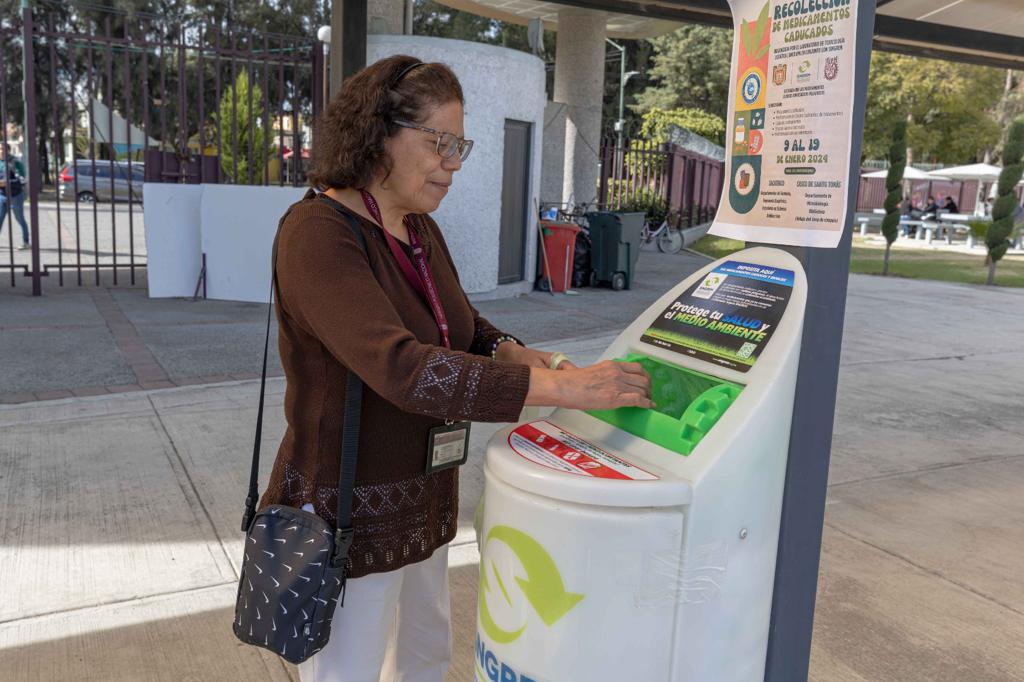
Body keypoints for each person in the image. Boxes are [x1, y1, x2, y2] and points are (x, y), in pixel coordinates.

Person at [256, 55, 653, 682]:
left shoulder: (417, 229)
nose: (455, 161)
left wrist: (510, 350)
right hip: (349, 510)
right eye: (439, 141)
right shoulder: (317, 233)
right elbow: (402, 367)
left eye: (459, 143)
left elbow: (460, 324)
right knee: (349, 670)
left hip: (426, 492)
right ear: (378, 134)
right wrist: (559, 388)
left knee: (427, 656)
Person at [0, 144, 29, 249]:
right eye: (0, 149)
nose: (1, 151)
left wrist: (6, 183)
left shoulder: (15, 163)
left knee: (20, 218)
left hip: (15, 196)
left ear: (8, 150)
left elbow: (22, 179)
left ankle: (26, 242)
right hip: (2, 195)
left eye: (3, 149)